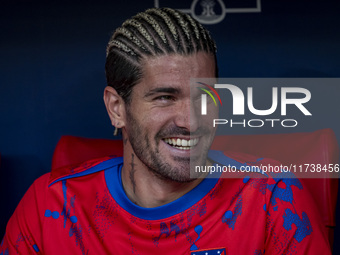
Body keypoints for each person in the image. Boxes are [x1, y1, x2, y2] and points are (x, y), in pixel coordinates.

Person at [0, 7, 331, 255]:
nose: (191, 121)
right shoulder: (52, 207)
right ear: (117, 109)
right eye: (164, 97)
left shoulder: (273, 198)